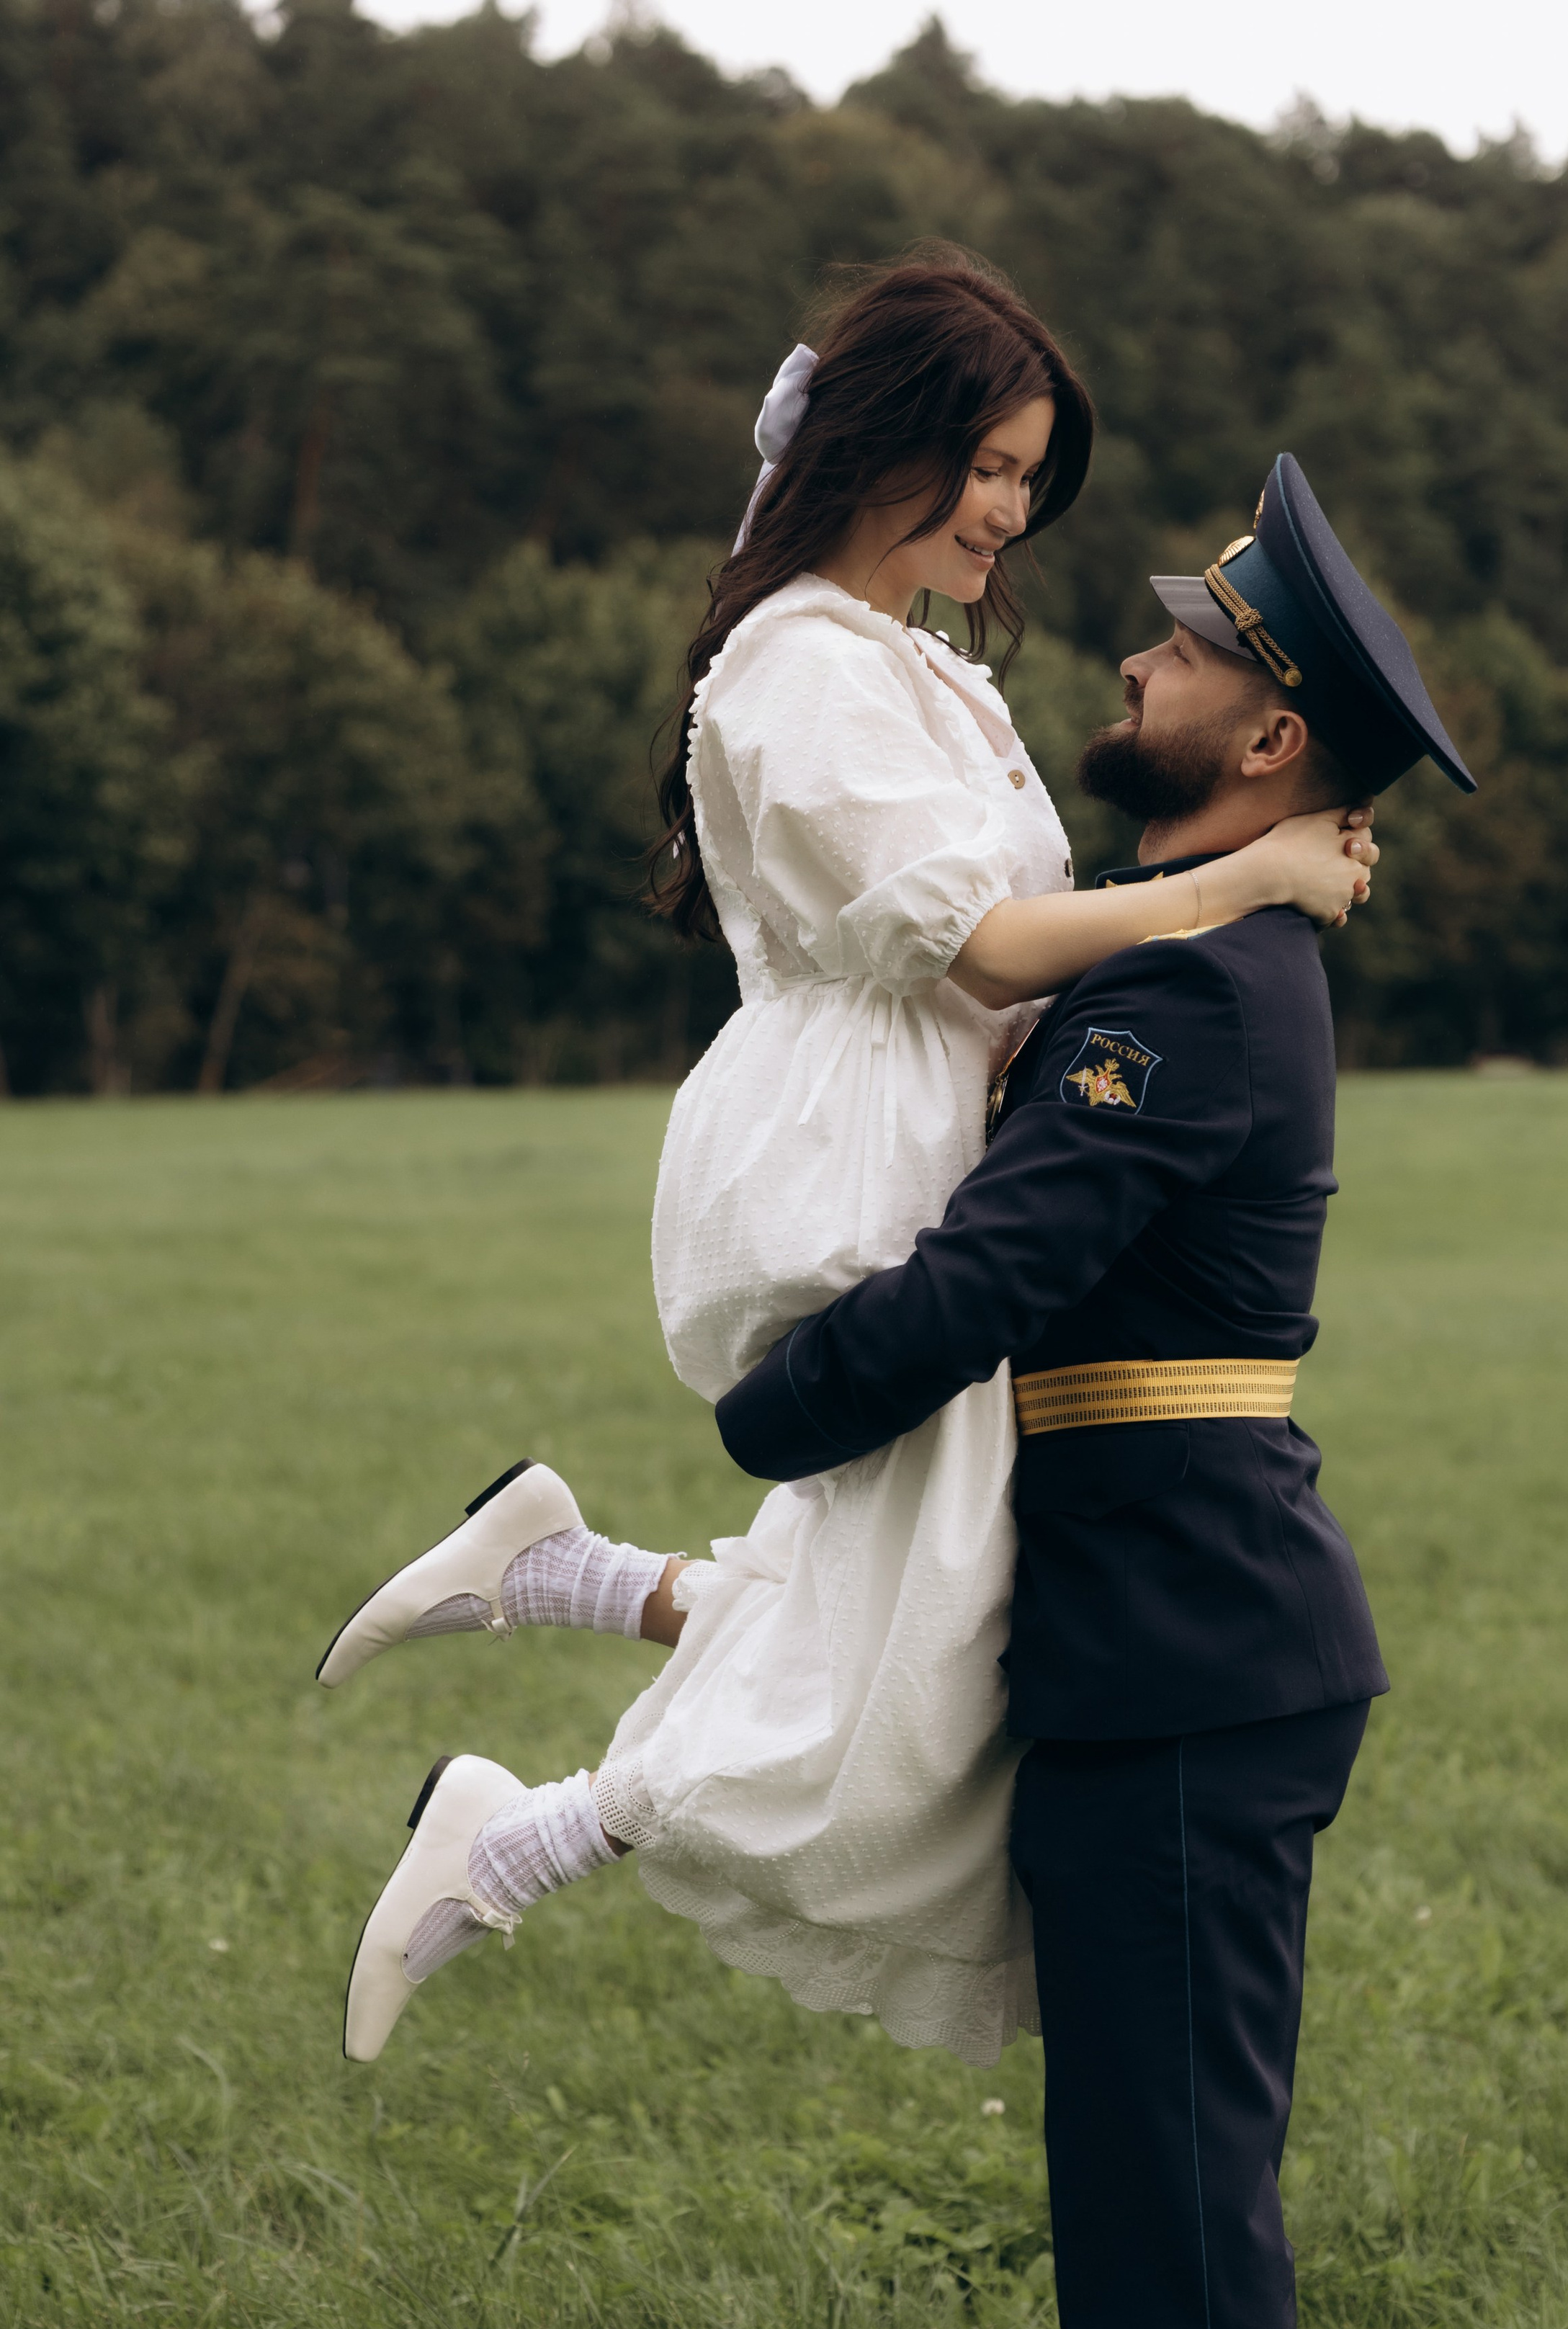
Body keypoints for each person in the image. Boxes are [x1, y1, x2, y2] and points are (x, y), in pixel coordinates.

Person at [318, 254, 1376, 2068]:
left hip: (925, 1127)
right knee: (908, 1657)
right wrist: (1246, 881)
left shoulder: (908, 661)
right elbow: (980, 946)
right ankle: (519, 1827)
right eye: (982, 464)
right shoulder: (794, 666)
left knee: (918, 1608)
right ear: (881, 443)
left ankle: (556, 1588)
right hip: (847, 1157)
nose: (1007, 512)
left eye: (1026, 478)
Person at [712, 452, 1477, 2329]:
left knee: (1166, 2172)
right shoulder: (1188, 947)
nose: (1132, 654)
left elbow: (1002, 1268)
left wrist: (780, 1406)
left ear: (1263, 738)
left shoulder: (1209, 990)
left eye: (1187, 646)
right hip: (1177, 1637)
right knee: (1157, 2155)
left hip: (1192, 1656)